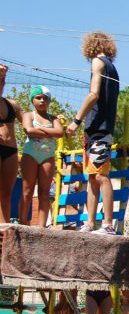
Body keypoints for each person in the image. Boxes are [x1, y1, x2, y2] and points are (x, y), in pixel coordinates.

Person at [65, 31, 120, 234]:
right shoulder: (112, 67)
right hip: (96, 129)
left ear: (92, 45)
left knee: (101, 175)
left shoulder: (99, 62)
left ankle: (107, 224)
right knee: (92, 177)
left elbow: (94, 94)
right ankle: (89, 223)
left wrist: (76, 120)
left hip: (99, 128)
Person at [19, 85, 64, 227]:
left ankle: (42, 226)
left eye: (45, 98)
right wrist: (49, 132)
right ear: (32, 100)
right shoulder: (29, 115)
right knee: (27, 190)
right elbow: (29, 130)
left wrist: (38, 129)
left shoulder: (53, 118)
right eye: (38, 98)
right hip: (30, 154)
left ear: (49, 101)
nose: (42, 101)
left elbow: (59, 133)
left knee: (44, 192)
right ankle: (22, 223)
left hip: (47, 157)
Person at [0, 63, 23, 224]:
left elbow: (29, 125)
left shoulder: (12, 104)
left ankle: (4, 226)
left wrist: (52, 122)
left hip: (11, 150)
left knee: (6, 193)